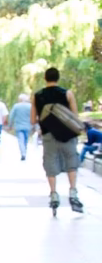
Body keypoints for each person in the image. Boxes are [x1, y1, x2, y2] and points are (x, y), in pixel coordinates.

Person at [36, 66, 87, 214]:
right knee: (71, 162)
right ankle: (73, 192)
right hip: (67, 134)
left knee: (50, 164)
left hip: (48, 135)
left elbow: (34, 119)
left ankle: (53, 195)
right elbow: (74, 116)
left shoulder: (37, 95)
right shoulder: (68, 94)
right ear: (58, 78)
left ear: (45, 78)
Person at [9, 92, 34, 159]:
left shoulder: (16, 106)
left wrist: (10, 125)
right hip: (28, 126)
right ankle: (24, 151)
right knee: (25, 140)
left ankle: (23, 153)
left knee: (20, 140)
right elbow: (33, 115)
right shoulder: (30, 106)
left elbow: (11, 116)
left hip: (18, 126)